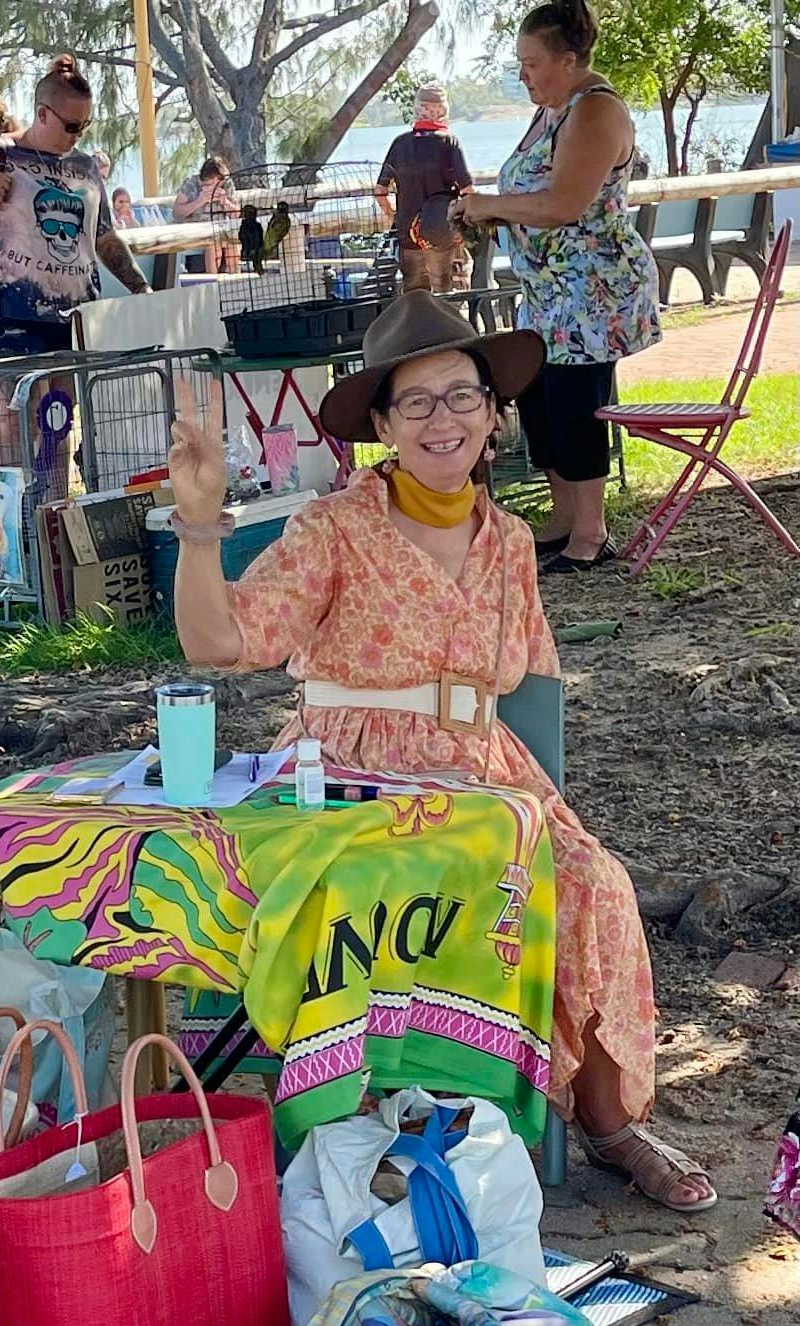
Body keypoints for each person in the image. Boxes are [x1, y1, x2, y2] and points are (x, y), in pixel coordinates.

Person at [166, 292, 714, 1213]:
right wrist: (196, 525)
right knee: (391, 895)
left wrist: (544, 798)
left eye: (461, 396)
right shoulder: (335, 528)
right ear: (379, 425)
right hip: (353, 770)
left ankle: (608, 1123)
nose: (442, 420)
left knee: (593, 886)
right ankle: (373, 1120)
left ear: (493, 416)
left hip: (482, 772)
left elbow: (529, 680)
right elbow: (218, 643)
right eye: (414, 403)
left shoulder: (504, 537)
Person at [456, 0, 659, 572]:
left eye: (532, 63)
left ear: (569, 60)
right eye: (520, 63)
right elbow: (534, 193)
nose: (523, 75)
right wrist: (488, 214)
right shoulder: (552, 108)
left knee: (575, 402)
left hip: (593, 289)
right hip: (548, 291)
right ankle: (563, 516)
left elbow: (566, 204)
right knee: (538, 395)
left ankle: (591, 532)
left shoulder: (594, 111)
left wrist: (490, 206)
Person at [0, 54, 149, 361]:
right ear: (42, 114)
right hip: (10, 323)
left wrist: (141, 289)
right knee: (17, 409)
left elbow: (103, 237)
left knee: (67, 409)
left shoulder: (86, 167)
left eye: (84, 125)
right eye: (70, 125)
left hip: (79, 319)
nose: (77, 134)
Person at [375, 81, 474, 292]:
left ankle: (418, 324)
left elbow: (380, 191)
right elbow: (467, 191)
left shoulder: (399, 144)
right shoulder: (449, 142)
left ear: (417, 109)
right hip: (441, 231)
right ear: (443, 111)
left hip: (407, 232)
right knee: (446, 290)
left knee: (414, 292)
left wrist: (394, 215)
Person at [171, 156, 240, 271]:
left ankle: (236, 281)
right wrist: (199, 201)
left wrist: (225, 202)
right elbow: (177, 212)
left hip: (220, 228)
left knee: (232, 242)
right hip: (196, 230)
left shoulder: (226, 184)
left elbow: (236, 214)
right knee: (212, 244)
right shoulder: (191, 184)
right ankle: (212, 281)